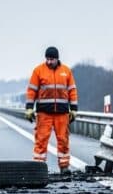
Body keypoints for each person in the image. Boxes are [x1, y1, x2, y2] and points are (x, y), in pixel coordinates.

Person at [25, 46, 78, 174]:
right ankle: (38, 167)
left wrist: (74, 109)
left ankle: (64, 167)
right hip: (44, 113)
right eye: (47, 59)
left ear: (57, 59)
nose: (49, 62)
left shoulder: (66, 71)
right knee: (41, 140)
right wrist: (29, 109)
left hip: (62, 113)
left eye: (52, 59)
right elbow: (32, 91)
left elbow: (72, 90)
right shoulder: (38, 71)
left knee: (63, 140)